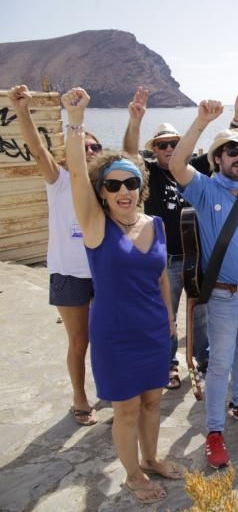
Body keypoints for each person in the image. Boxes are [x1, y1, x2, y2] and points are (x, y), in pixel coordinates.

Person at [62, 87, 180, 504]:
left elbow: (162, 278)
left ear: (141, 185)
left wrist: (169, 322)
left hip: (152, 329)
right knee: (126, 409)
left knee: (153, 403)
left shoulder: (156, 225)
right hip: (114, 333)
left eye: (131, 182)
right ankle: (132, 475)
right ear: (103, 192)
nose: (124, 191)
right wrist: (74, 120)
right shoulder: (97, 228)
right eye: (114, 186)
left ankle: (151, 458)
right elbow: (77, 174)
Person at [170, 99, 238, 469]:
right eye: (232, 152)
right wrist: (201, 121)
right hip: (222, 296)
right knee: (218, 364)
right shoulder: (204, 190)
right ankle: (214, 432)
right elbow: (175, 163)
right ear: (218, 158)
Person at [7, 85, 99, 426]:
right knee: (79, 341)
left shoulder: (105, 185)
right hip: (68, 272)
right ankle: (79, 396)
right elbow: (36, 149)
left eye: (95, 147)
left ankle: (108, 388)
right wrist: (22, 111)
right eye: (84, 145)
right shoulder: (58, 179)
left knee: (104, 337)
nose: (89, 151)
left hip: (101, 273)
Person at [122, 87, 215, 386]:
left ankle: (204, 361)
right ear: (155, 149)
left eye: (174, 143)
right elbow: (128, 154)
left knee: (200, 315)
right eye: (162, 145)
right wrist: (135, 120)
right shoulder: (147, 172)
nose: (169, 148)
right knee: (167, 315)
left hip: (195, 257)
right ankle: (169, 365)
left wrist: (234, 120)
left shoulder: (193, 168)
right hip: (165, 260)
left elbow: (218, 153)